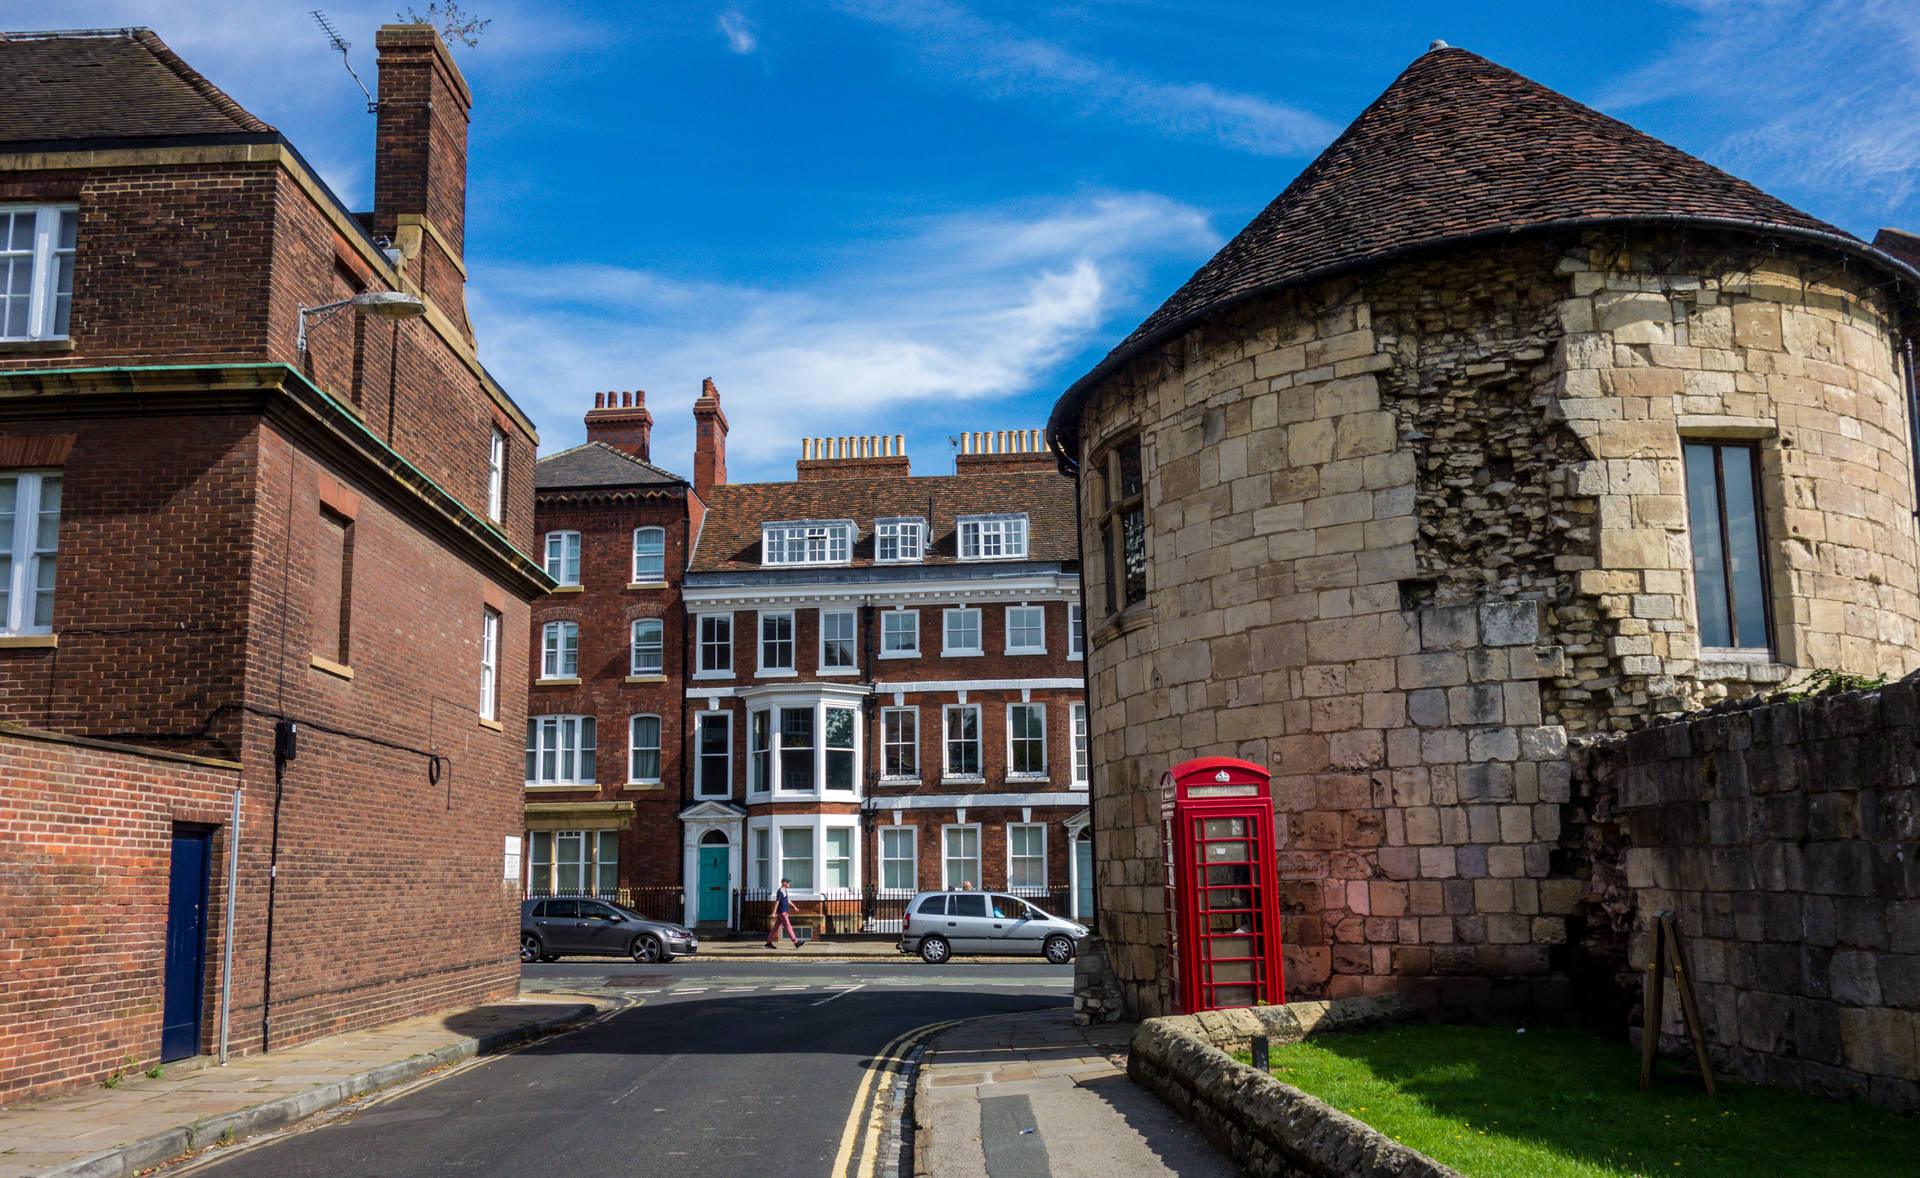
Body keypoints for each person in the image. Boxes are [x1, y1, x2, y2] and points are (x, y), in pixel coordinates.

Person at [766, 877, 800, 948]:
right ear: (784, 883)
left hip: (783, 912)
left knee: (775, 928)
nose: (789, 884)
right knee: (788, 926)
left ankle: (768, 943)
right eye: (788, 882)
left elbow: (788, 900)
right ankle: (796, 942)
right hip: (782, 912)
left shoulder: (785, 891)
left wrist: (794, 907)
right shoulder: (780, 891)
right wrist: (774, 912)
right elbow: (777, 902)